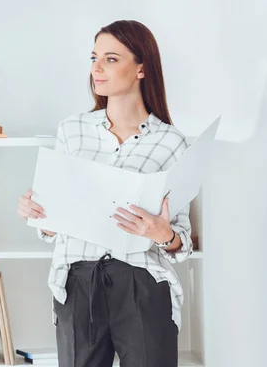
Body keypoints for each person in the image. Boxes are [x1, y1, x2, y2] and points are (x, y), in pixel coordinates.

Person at [17, 20, 193, 367]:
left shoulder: (171, 142)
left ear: (142, 68)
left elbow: (182, 242)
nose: (96, 68)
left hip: (142, 281)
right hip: (79, 281)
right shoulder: (72, 131)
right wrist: (40, 213)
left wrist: (164, 234)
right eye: (94, 57)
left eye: (111, 59)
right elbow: (53, 223)